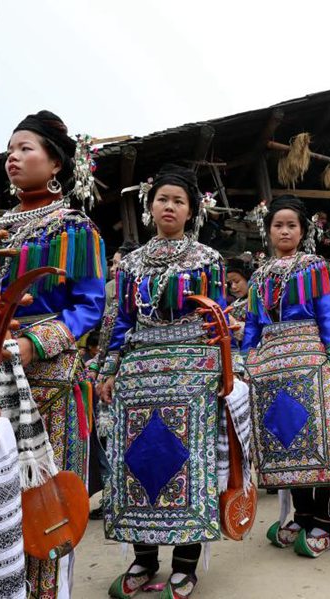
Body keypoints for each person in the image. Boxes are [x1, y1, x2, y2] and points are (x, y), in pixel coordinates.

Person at [100, 164, 240, 599]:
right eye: (163, 198)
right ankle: (143, 559)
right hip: (139, 371)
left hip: (193, 371)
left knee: (188, 462)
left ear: (191, 211)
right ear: (150, 204)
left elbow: (216, 320)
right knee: (139, 463)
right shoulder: (133, 263)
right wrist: (108, 368)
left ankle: (185, 565)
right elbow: (122, 320)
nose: (170, 206)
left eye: (179, 201)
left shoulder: (208, 260)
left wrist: (224, 369)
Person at [0, 109, 107, 597]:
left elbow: (89, 305)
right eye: (11, 149)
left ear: (56, 163)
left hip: (50, 378)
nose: (13, 158)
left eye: (26, 149)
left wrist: (34, 343)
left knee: (40, 495)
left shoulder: (74, 229)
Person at [242, 195, 330, 558]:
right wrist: (245, 361)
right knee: (284, 440)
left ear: (303, 230)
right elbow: (254, 324)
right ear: (268, 230)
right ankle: (301, 513)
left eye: (291, 225)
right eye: (278, 225)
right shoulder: (258, 275)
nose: (284, 230)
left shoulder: (314, 266)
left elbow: (327, 312)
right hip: (270, 363)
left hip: (308, 358)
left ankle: (320, 518)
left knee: (315, 439)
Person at [226, 253, 254, 345]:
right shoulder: (233, 304)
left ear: (248, 278)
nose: (233, 287)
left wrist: (235, 324)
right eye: (230, 283)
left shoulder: (257, 302)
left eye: (237, 281)